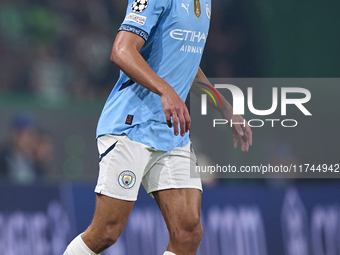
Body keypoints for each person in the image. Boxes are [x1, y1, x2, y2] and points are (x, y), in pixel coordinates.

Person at [64, 0, 252, 254]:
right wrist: (166, 90)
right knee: (106, 232)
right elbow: (121, 50)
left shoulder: (204, 3)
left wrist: (225, 109)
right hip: (131, 125)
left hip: (172, 133)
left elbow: (187, 66)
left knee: (188, 232)